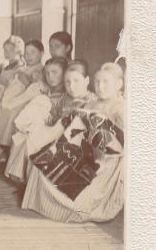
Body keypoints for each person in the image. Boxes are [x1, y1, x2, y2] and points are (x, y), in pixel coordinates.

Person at [21, 63, 124, 222]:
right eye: (97, 82)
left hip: (104, 160)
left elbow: (122, 142)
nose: (100, 87)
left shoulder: (121, 108)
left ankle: (71, 202)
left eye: (105, 82)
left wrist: (99, 128)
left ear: (119, 84)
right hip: (82, 151)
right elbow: (74, 130)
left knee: (75, 188)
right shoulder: (91, 103)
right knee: (42, 165)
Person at [4, 57, 69, 184]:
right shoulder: (45, 92)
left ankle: (26, 178)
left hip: (55, 132)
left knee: (30, 138)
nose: (50, 76)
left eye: (55, 72)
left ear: (64, 73)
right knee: (22, 137)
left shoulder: (66, 95)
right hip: (40, 127)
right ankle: (22, 176)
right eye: (48, 73)